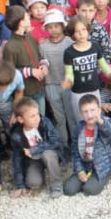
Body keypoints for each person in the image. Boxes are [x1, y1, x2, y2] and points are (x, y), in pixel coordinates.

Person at [9, 97, 63, 198]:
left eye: (37, 114)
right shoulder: (16, 135)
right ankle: (40, 174)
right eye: (32, 116)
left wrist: (34, 150)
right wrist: (19, 184)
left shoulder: (44, 122)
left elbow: (55, 140)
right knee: (33, 182)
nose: (37, 118)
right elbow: (17, 159)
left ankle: (56, 186)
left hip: (49, 153)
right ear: (21, 119)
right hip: (34, 160)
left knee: (48, 155)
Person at [64, 94, 111, 196]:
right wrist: (80, 171)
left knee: (89, 189)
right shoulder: (79, 128)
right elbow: (75, 152)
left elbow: (110, 132)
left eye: (92, 110)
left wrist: (100, 121)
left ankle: (105, 175)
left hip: (101, 166)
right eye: (85, 111)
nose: (89, 115)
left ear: (99, 110)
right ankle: (86, 176)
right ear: (81, 113)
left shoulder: (105, 122)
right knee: (68, 189)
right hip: (85, 165)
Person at [1, 5, 47, 114]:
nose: (29, 18)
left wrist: (44, 65)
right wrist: (31, 71)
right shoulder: (10, 47)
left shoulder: (30, 36)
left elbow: (39, 56)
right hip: (26, 94)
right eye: (27, 16)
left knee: (42, 118)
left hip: (40, 88)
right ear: (21, 22)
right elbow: (9, 73)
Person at [39, 9, 75, 146]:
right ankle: (64, 145)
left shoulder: (70, 42)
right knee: (59, 118)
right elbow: (42, 63)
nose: (53, 29)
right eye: (50, 27)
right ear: (46, 28)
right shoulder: (43, 45)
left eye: (56, 26)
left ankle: (75, 144)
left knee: (71, 116)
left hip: (68, 83)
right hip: (51, 84)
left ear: (62, 26)